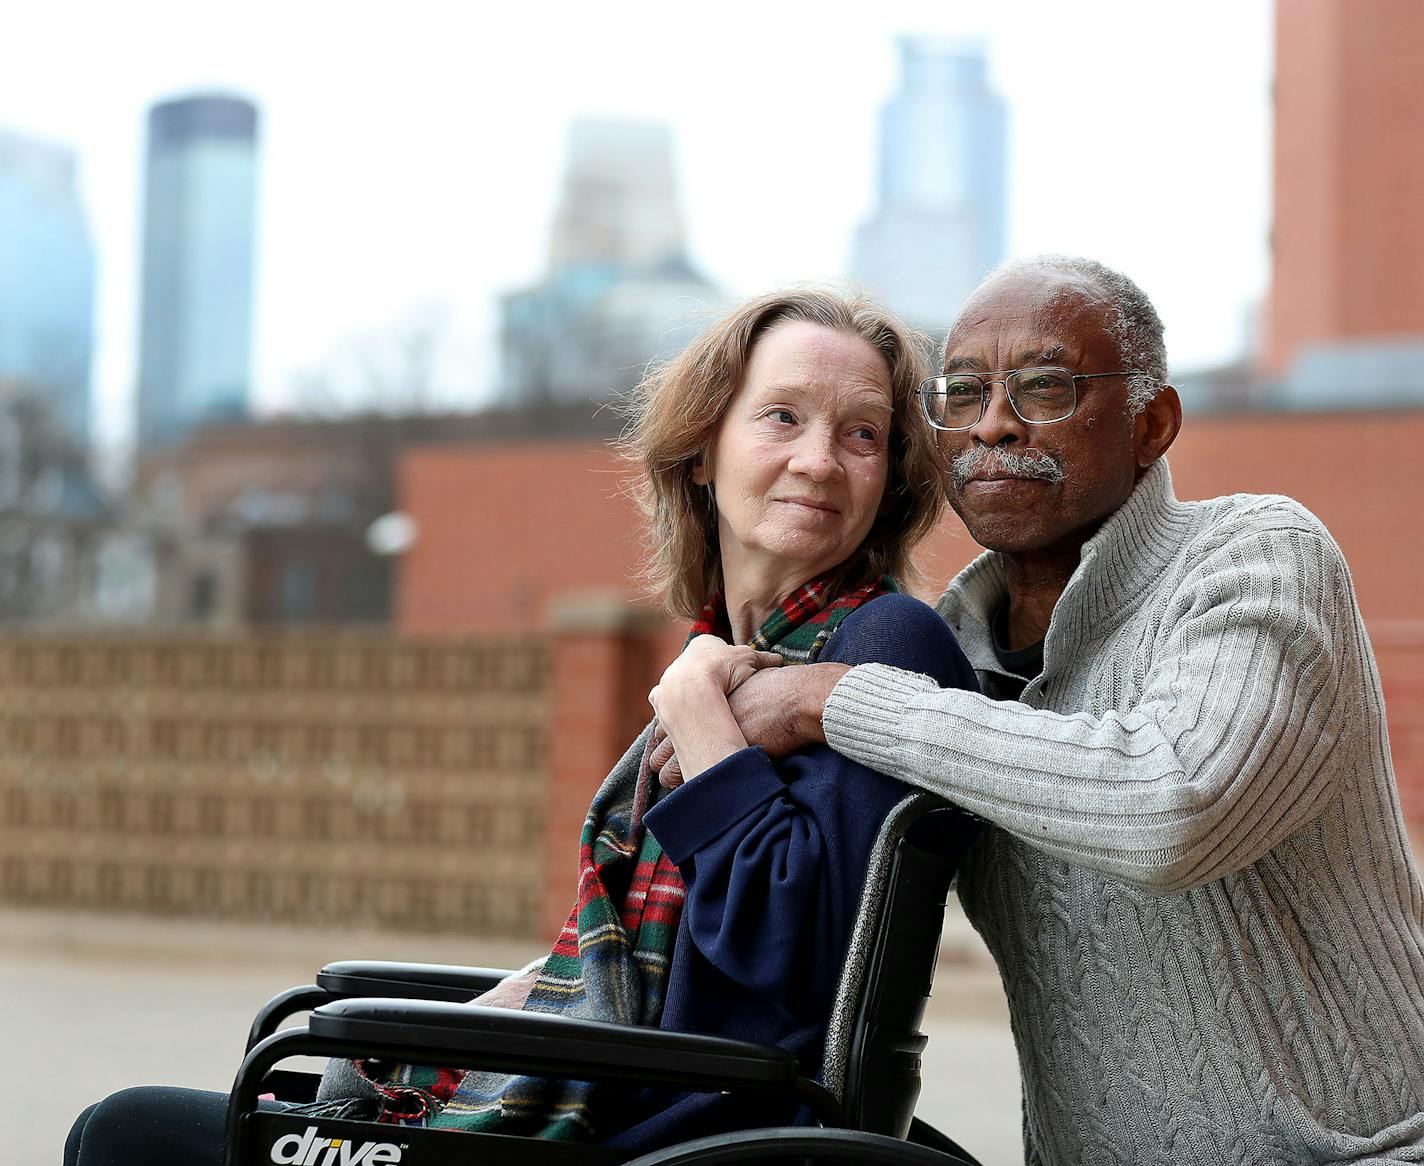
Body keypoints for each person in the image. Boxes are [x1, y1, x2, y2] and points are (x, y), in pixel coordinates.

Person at [63, 287, 979, 1164]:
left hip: (677, 1130)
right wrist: (433, 1047)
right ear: (704, 448)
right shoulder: (734, 654)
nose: (821, 459)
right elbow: (604, 972)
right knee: (277, 1090)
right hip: (622, 1097)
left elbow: (788, 959)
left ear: (887, 477)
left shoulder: (879, 645)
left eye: (861, 434)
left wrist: (702, 721)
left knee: (128, 1135)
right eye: (783, 416)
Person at [657, 255, 1424, 1165]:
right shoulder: (950, 657)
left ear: (1153, 424)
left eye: (1045, 387)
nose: (993, 423)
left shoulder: (1254, 556)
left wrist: (832, 699)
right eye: (965, 392)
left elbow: (1175, 804)